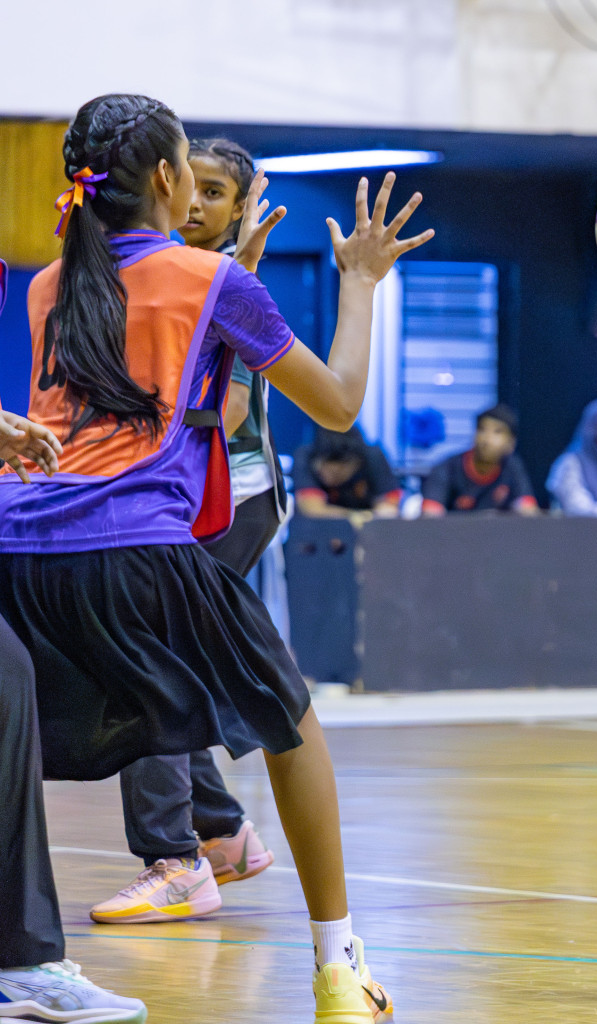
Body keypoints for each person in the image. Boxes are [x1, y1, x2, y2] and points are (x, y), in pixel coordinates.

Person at [0, 93, 431, 1022]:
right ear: (167, 180)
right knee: (292, 726)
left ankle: (142, 885)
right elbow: (342, 404)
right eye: (190, 166)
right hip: (129, 548)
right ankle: (338, 968)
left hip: (15, 545)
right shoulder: (213, 280)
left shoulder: (46, 287)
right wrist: (358, 283)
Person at [91, 137, 284, 928]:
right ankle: (225, 832)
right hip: (163, 498)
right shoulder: (146, 272)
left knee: (147, 663)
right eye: (190, 188)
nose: (197, 203)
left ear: (241, 209)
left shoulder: (227, 285)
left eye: (217, 192)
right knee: (150, 666)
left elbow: (231, 410)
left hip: (226, 496)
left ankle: (177, 860)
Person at [421, 403, 537, 515]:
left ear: (511, 443)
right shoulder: (446, 468)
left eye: (497, 432)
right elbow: (431, 515)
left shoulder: (512, 466)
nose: (487, 439)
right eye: (482, 429)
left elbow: (528, 511)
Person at [293, 425, 402, 523]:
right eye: (324, 468)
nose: (330, 476)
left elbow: (389, 511)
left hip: (367, 537)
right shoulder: (305, 456)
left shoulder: (372, 457)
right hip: (317, 536)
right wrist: (360, 517)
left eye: (338, 473)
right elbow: (313, 511)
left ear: (356, 463)